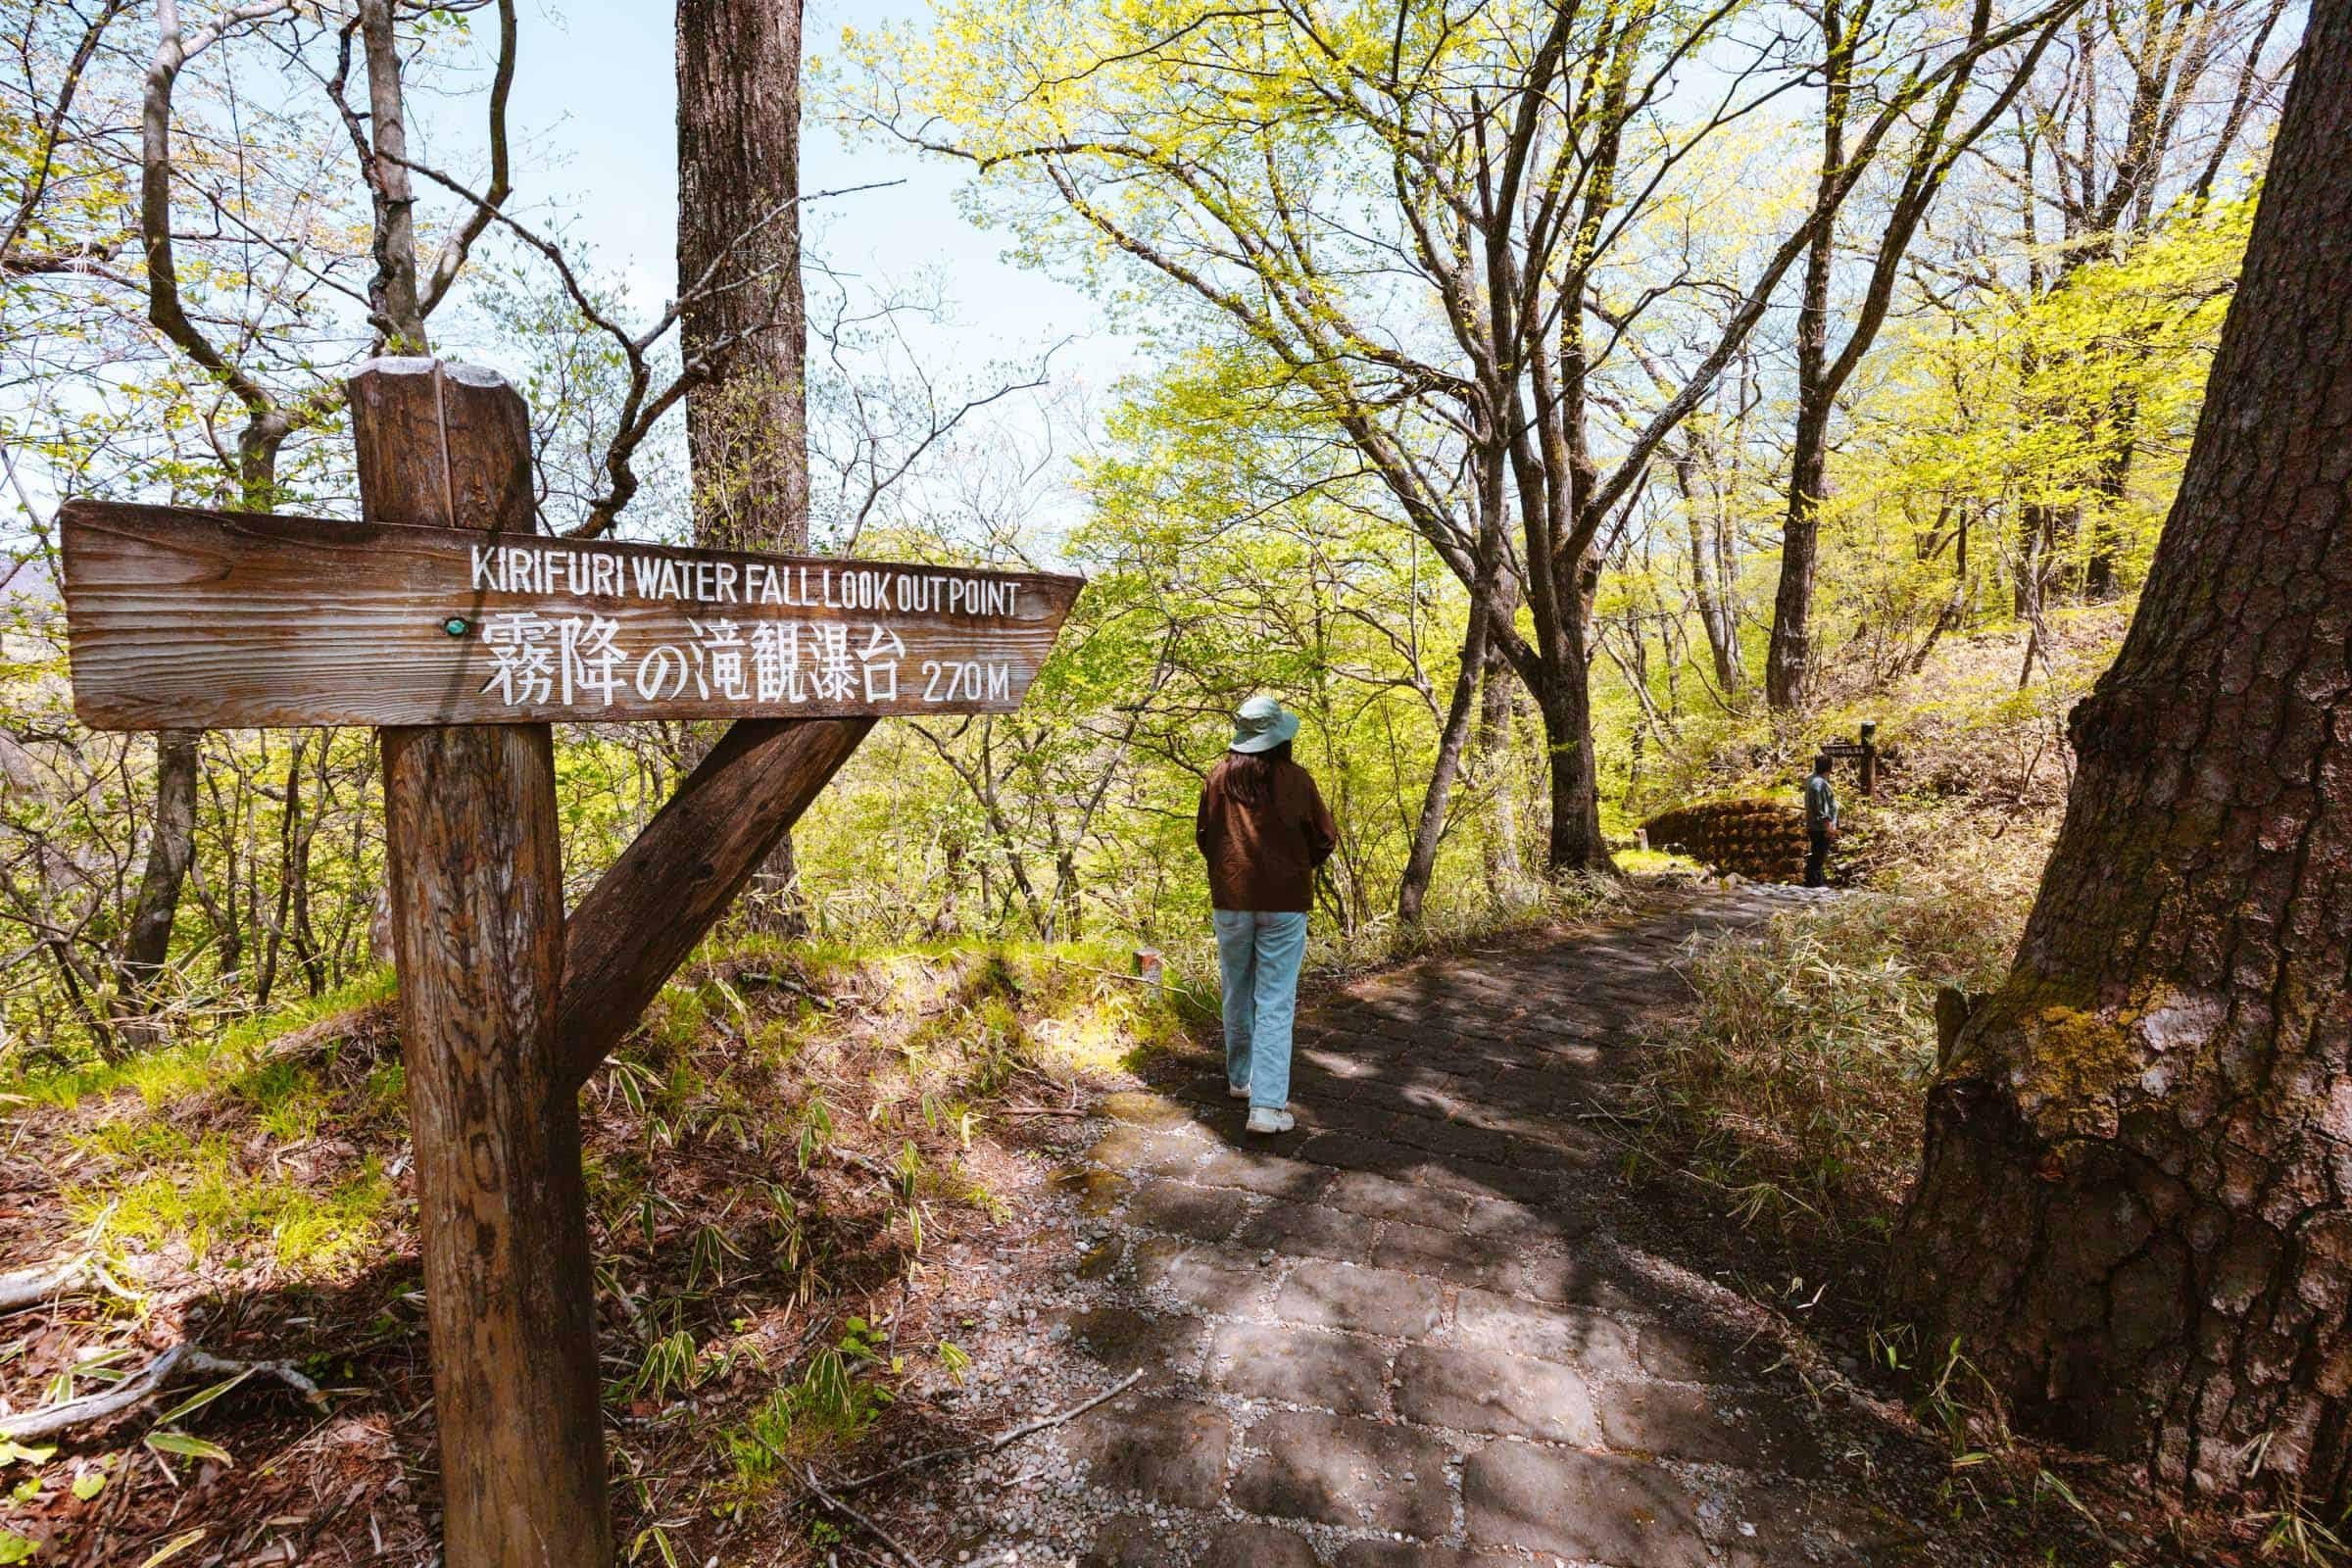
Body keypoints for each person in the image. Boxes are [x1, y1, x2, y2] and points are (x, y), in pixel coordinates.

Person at [1196, 695, 1338, 1135]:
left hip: (1231, 900)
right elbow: (1325, 838)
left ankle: (1241, 1079)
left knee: (1236, 990)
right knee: (1275, 1002)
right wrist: (1296, 865)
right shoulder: (1297, 780)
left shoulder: (1218, 778)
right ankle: (1267, 1108)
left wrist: (1229, 871)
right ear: (1279, 738)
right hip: (1286, 902)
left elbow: (1205, 836)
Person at [1803, 753, 1839, 888]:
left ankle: (1816, 883)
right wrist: (1828, 825)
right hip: (1820, 827)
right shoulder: (1819, 784)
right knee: (1818, 857)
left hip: (1814, 824)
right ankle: (1813, 884)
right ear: (1829, 767)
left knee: (1817, 855)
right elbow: (1820, 807)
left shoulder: (1812, 780)